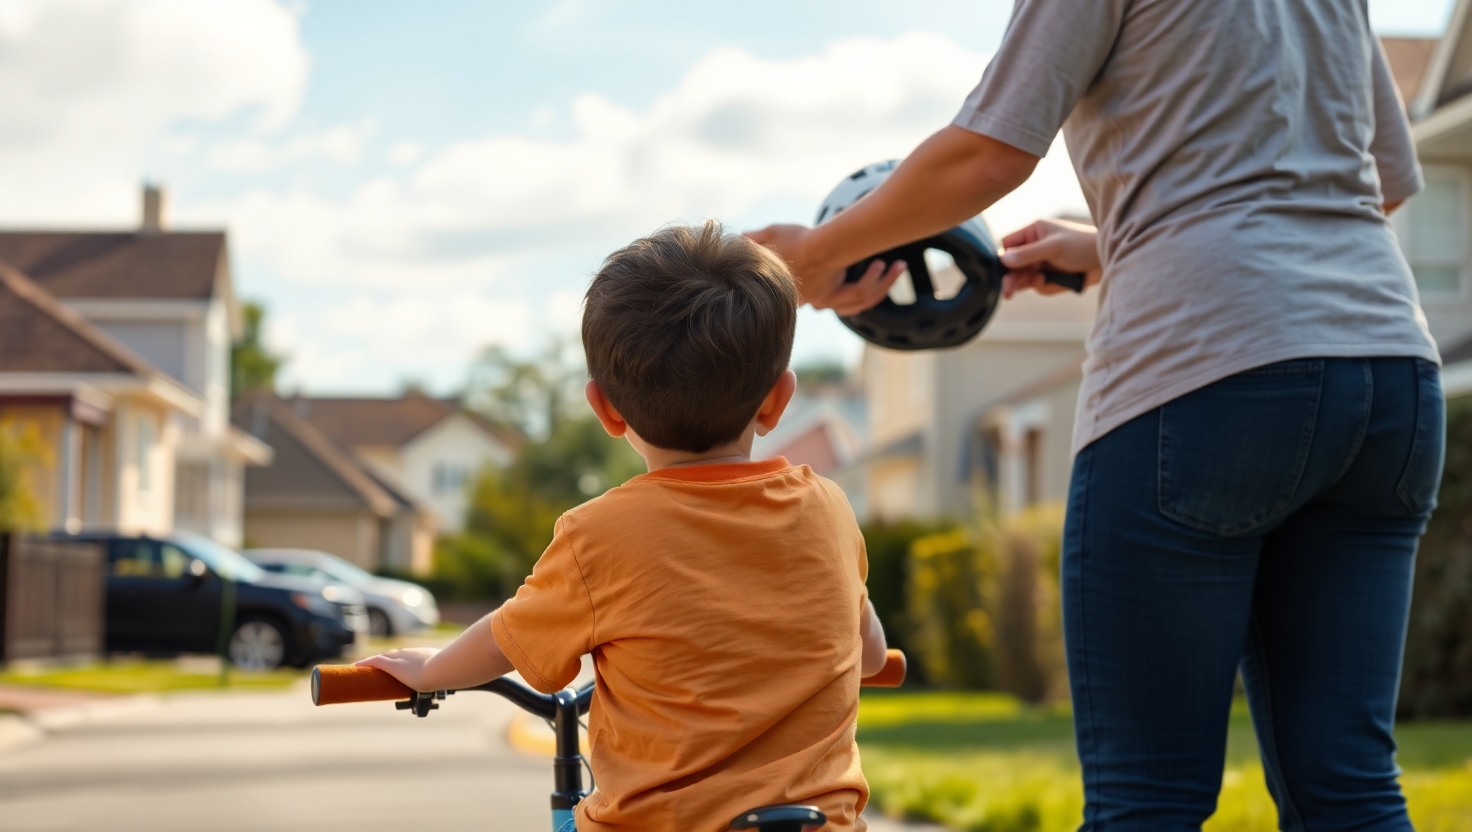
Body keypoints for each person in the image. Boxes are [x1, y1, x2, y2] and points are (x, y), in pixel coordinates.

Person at [750, 1, 1442, 829]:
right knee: (1351, 786)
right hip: (1390, 375)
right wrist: (1118, 243)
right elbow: (1383, 181)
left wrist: (815, 258)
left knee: (1146, 800)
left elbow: (989, 153)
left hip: (1206, 374)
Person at [357, 221, 889, 832]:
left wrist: (430, 670)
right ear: (777, 400)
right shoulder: (829, 509)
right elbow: (868, 652)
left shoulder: (600, 535)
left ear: (604, 408)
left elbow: (509, 636)